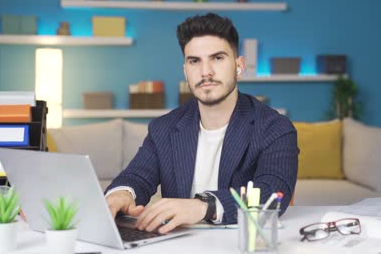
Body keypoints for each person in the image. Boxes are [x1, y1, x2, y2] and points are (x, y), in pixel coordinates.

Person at [105, 13, 298, 234]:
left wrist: (204, 206)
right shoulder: (164, 128)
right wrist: (122, 193)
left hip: (241, 244)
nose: (206, 71)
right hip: (177, 245)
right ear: (185, 71)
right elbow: (136, 176)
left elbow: (273, 194)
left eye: (217, 58)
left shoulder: (275, 128)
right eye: (194, 61)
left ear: (239, 66)